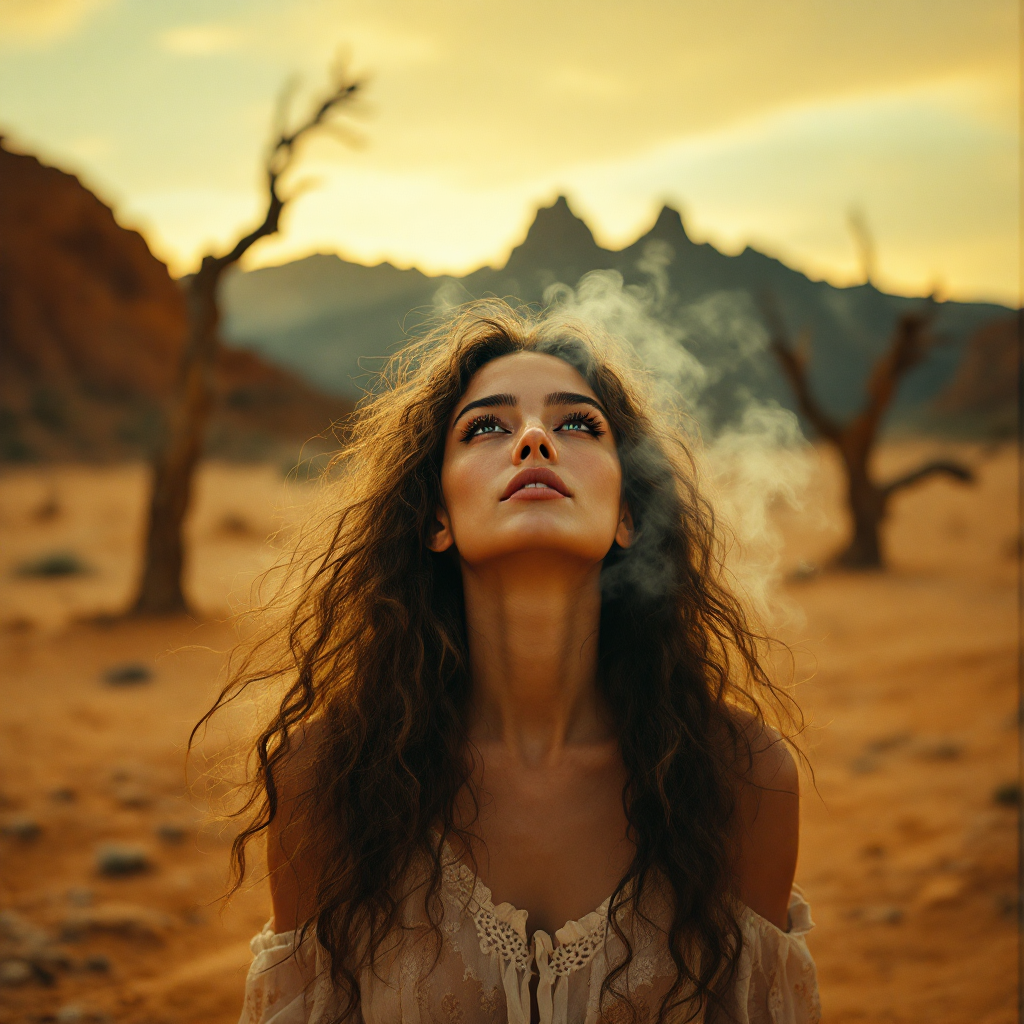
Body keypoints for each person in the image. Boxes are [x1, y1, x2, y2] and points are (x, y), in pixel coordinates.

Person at [208, 302, 820, 1024]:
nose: (533, 440)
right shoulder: (329, 779)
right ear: (436, 518)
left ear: (627, 514)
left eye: (577, 424)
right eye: (487, 428)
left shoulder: (739, 780)